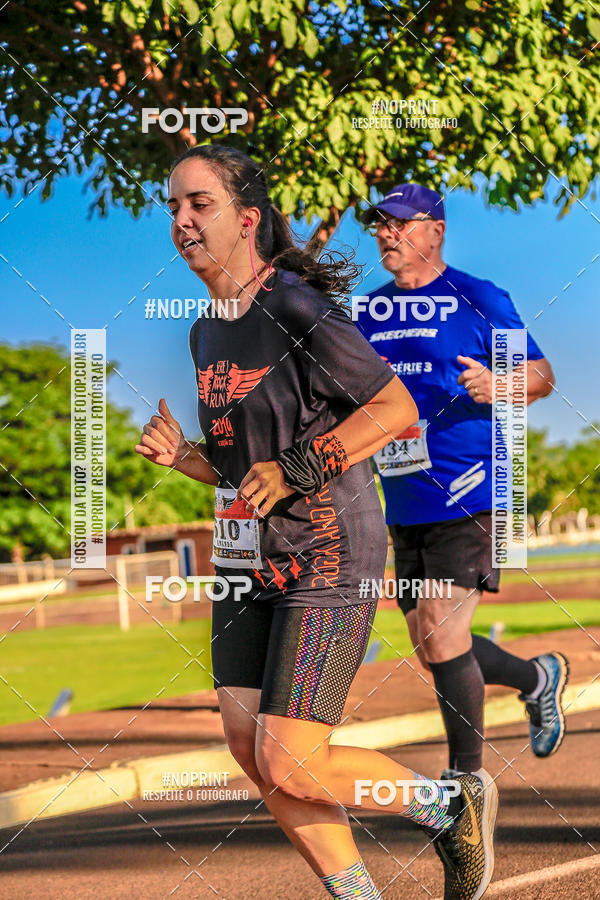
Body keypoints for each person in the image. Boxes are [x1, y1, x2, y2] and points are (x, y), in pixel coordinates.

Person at [136, 147, 498, 900]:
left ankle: (448, 803)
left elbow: (394, 410)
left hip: (328, 555)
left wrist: (303, 467)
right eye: (172, 206)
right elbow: (249, 468)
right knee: (248, 745)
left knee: (291, 758)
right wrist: (187, 459)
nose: (181, 220)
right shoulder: (206, 330)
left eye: (199, 204)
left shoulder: (297, 306)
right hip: (248, 562)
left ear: (248, 218)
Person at [355, 183, 569, 780]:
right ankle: (537, 677)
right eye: (380, 224)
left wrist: (501, 385)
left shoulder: (477, 298)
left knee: (442, 631)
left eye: (400, 223)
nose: (386, 233)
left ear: (436, 230)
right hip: (402, 497)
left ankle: (466, 784)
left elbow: (542, 375)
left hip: (474, 487)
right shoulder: (367, 312)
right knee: (431, 645)